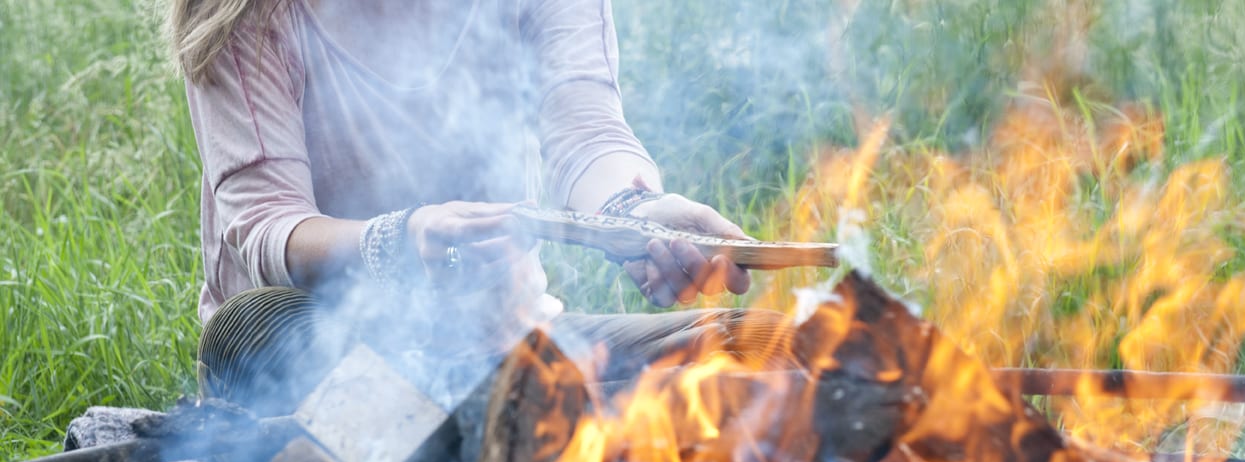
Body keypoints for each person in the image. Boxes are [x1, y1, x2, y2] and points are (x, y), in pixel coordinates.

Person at [168, 0, 790, 415]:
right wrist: (399, 241)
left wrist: (633, 212)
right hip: (328, 356)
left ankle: (501, 434)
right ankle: (541, 430)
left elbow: (585, 131)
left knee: (764, 343)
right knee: (251, 327)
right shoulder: (249, 13)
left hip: (507, 348)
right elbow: (269, 228)